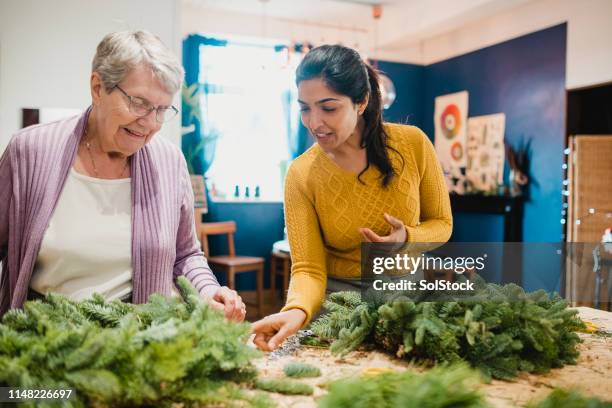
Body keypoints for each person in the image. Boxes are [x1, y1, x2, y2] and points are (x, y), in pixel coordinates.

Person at [0, 30, 245, 321]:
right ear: (98, 87)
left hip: (138, 343)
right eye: (139, 103)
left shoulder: (169, 163)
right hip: (45, 340)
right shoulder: (29, 152)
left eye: (162, 109)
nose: (150, 123)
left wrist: (208, 291)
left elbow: (185, 254)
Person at [252, 44, 452, 350]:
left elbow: (442, 224)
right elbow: (307, 269)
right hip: (339, 311)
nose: (314, 122)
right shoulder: (301, 173)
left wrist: (407, 238)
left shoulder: (413, 144)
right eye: (305, 108)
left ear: (361, 102)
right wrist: (296, 309)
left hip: (411, 304)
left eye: (328, 108)